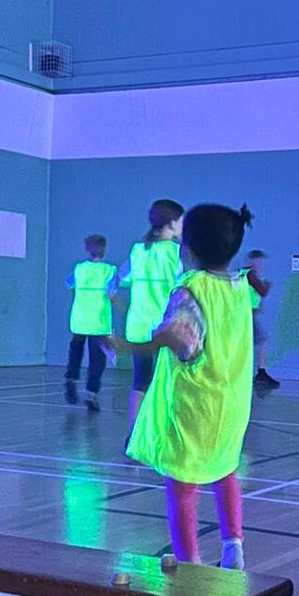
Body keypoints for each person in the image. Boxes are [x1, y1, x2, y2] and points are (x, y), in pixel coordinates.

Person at [126, 203, 254, 570]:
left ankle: (190, 563)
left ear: (188, 249)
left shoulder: (190, 289)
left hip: (196, 405)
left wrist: (141, 340)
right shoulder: (238, 287)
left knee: (183, 484)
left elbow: (185, 343)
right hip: (232, 402)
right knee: (225, 468)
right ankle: (234, 547)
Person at [108, 199, 184, 436]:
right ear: (172, 224)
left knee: (140, 381)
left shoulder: (138, 251)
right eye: (181, 221)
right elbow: (183, 288)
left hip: (139, 326)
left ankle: (135, 435)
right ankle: (166, 433)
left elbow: (119, 279)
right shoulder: (175, 253)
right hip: (166, 329)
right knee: (171, 383)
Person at [65, 234, 118, 411]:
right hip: (99, 321)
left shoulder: (79, 269)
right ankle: (90, 393)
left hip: (79, 319)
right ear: (104, 249)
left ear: (87, 249)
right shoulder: (109, 270)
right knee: (97, 360)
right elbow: (112, 292)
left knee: (75, 353)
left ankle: (71, 379)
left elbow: (69, 284)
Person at [244, 250, 280, 390]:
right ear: (252, 261)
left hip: (249, 315)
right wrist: (267, 285)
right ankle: (260, 373)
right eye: (258, 261)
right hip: (245, 315)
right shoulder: (250, 275)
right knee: (261, 340)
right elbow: (262, 291)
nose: (260, 264)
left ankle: (260, 372)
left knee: (260, 341)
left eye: (261, 262)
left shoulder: (251, 275)